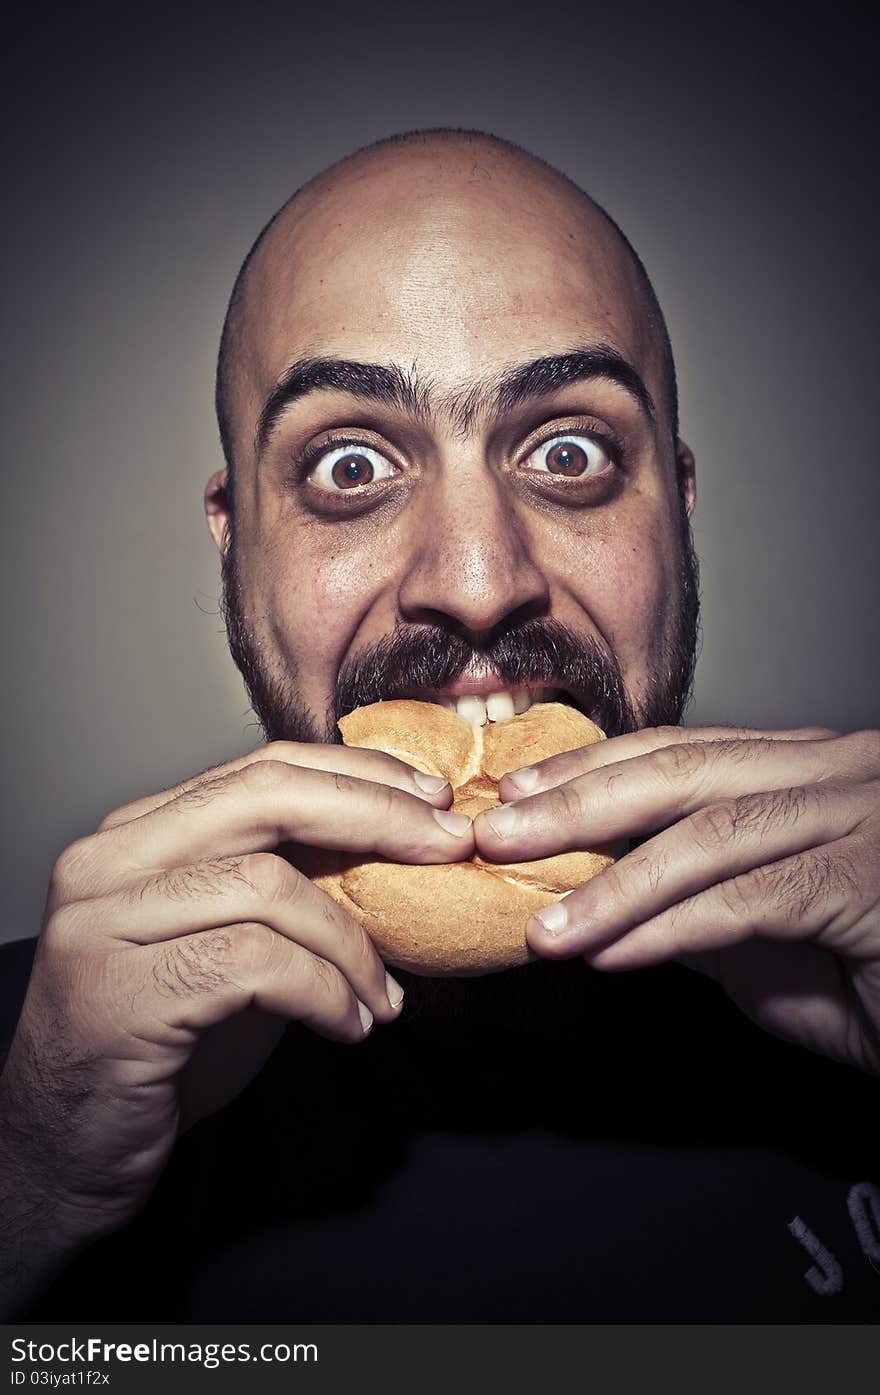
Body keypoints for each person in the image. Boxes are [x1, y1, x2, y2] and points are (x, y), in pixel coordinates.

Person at [1, 128, 878, 1323]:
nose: (475, 579)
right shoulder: (42, 1069)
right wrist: (35, 1185)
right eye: (350, 467)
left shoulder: (852, 979)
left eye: (568, 451)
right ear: (234, 541)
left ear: (675, 509)